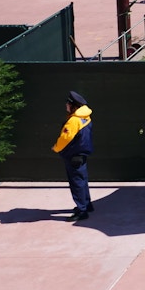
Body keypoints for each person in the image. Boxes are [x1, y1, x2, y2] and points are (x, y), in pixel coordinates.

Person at [53, 91, 94, 220]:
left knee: (76, 183)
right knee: (82, 180)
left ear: (74, 106)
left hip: (73, 155)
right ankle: (87, 204)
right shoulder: (86, 117)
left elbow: (65, 138)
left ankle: (82, 211)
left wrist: (56, 148)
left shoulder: (73, 121)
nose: (66, 105)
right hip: (81, 154)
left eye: (68, 103)